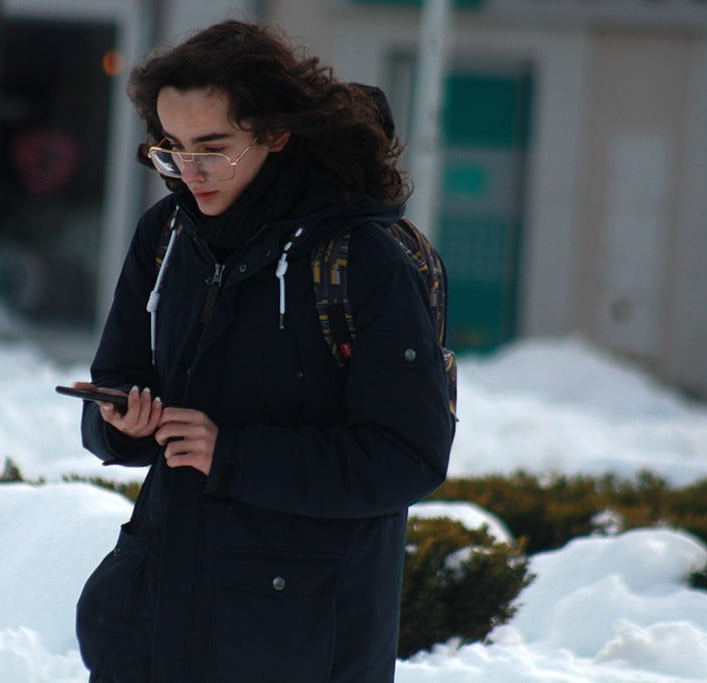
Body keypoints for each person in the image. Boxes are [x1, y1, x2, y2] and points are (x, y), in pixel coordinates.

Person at [71, 19, 454, 683]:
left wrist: (232, 454)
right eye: (172, 149)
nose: (189, 172)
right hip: (159, 617)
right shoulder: (166, 234)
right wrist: (119, 422)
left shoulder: (362, 259)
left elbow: (408, 457)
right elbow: (119, 377)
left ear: (276, 133)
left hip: (301, 637)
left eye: (212, 149)